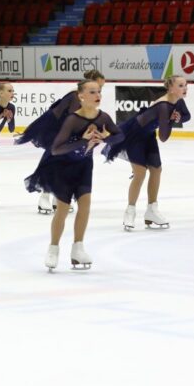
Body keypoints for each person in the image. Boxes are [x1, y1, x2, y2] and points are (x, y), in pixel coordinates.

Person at [25, 79, 121, 272]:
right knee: (63, 208)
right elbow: (57, 148)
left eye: (99, 92)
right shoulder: (72, 120)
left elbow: (120, 136)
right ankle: (53, 248)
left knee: (85, 205)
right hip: (63, 166)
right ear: (81, 96)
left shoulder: (104, 118)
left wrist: (106, 137)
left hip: (85, 166)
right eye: (92, 92)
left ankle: (78, 248)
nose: (97, 95)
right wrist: (82, 141)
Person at [103, 75, 190, 230]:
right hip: (134, 135)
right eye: (181, 85)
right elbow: (164, 137)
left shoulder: (178, 101)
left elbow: (187, 116)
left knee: (156, 170)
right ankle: (130, 211)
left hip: (148, 135)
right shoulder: (163, 106)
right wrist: (172, 120)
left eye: (186, 85)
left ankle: (152, 210)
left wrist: (177, 118)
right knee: (140, 173)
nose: (185, 88)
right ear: (170, 88)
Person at [16, 69, 106, 214]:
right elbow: (71, 118)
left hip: (63, 128)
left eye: (101, 88)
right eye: (98, 87)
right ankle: (44, 195)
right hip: (53, 127)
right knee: (53, 158)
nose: (99, 92)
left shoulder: (87, 98)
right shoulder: (76, 96)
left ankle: (56, 197)